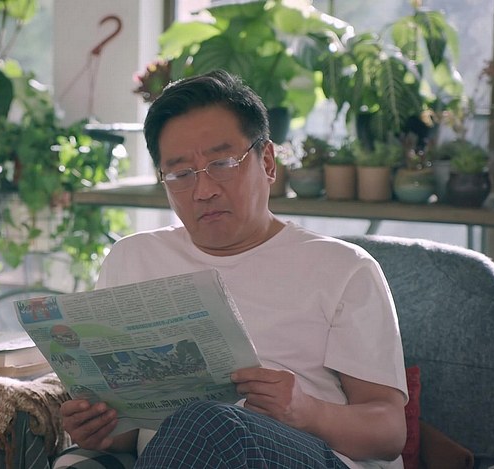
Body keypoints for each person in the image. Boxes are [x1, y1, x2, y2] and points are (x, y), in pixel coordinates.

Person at [55, 70, 408, 469]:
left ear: (268, 162)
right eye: (181, 174)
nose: (204, 191)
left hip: (308, 455)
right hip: (173, 458)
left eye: (222, 163)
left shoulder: (344, 268)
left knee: (210, 423)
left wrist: (305, 410)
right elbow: (126, 436)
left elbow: (389, 433)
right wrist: (97, 426)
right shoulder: (133, 258)